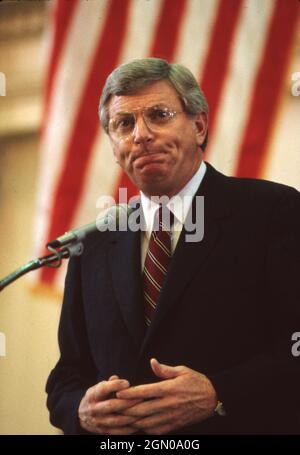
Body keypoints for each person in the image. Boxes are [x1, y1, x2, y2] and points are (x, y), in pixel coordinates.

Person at [46, 58, 300, 435]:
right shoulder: (94, 242)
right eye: (124, 124)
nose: (141, 135)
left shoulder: (273, 211)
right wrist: (81, 411)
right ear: (114, 147)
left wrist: (219, 393)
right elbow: (67, 376)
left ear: (198, 126)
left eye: (159, 115)